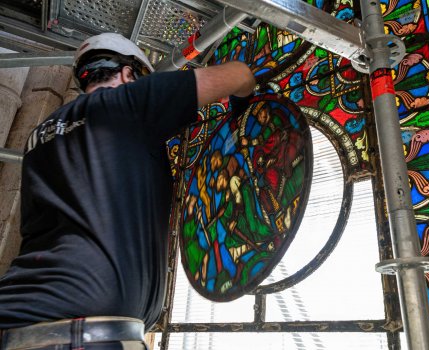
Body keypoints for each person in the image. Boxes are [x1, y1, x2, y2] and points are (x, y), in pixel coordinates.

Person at [0, 32, 255, 349]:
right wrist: (244, 114)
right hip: (74, 334)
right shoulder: (127, 105)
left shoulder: (37, 137)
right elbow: (240, 75)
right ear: (127, 74)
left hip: (22, 316)